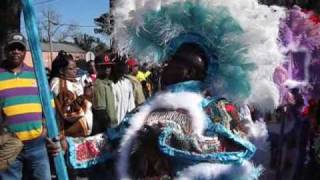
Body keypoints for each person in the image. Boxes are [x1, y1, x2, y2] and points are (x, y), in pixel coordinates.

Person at [0, 33, 51, 179]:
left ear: (24, 52)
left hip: (37, 144)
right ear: (6, 51)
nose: (16, 51)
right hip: (9, 145)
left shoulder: (36, 74)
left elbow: (49, 103)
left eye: (19, 48)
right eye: (12, 48)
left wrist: (46, 127)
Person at [50, 54, 93, 137]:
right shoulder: (60, 85)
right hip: (70, 136)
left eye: (75, 67)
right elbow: (67, 114)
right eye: (71, 69)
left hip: (79, 133)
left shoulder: (70, 81)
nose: (75, 70)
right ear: (61, 71)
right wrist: (84, 96)